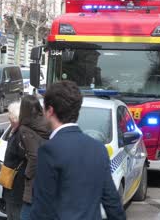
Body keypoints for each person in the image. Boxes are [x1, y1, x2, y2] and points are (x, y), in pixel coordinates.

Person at [30, 81, 126, 220]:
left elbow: (42, 209)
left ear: (50, 111)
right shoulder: (98, 149)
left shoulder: (49, 150)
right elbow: (112, 202)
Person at [17, 95, 50, 220]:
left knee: (26, 214)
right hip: (50, 174)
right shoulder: (48, 122)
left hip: (34, 180)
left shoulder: (25, 129)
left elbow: (34, 156)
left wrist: (27, 174)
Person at [2, 101, 26, 220]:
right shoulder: (16, 132)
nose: (8, 118)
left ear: (14, 118)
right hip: (13, 184)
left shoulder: (21, 133)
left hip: (16, 184)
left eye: (10, 116)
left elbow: (25, 155)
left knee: (14, 215)